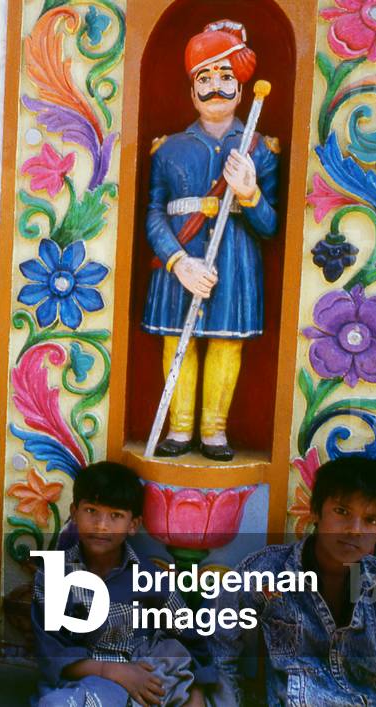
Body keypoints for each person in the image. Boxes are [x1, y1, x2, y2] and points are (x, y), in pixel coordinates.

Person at [144, 19, 279, 461]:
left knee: (226, 341)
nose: (215, 86)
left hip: (236, 260)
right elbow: (154, 215)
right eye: (205, 77)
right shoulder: (168, 149)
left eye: (225, 76)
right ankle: (179, 430)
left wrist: (250, 193)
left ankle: (215, 431)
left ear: (241, 89)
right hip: (181, 259)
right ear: (191, 90)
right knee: (175, 342)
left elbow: (270, 225)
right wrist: (178, 262)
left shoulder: (259, 148)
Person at [211, 457, 376, 705]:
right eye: (342, 512)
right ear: (315, 511)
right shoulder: (268, 573)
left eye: (371, 520)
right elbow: (217, 650)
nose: (354, 530)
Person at [32, 461, 214, 706]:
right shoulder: (55, 575)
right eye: (91, 511)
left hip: (144, 677)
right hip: (83, 681)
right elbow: (52, 654)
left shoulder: (150, 577)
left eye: (115, 516)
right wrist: (113, 672)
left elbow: (191, 640)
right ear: (74, 512)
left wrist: (196, 693)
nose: (101, 525)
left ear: (133, 525)